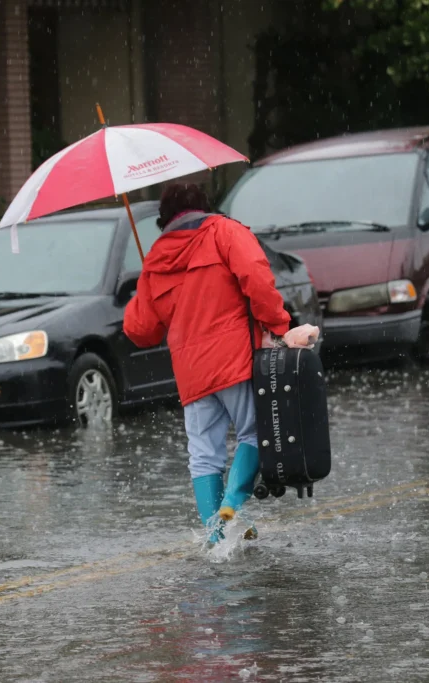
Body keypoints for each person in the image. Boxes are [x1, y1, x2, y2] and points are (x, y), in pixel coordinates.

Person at [123, 183, 300, 543]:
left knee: (204, 455)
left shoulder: (156, 258)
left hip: (191, 373)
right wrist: (279, 326)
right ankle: (232, 502)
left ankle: (215, 537)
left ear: (164, 219)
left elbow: (141, 330)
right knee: (257, 433)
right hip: (234, 360)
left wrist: (146, 285)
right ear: (204, 205)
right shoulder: (224, 231)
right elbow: (258, 281)